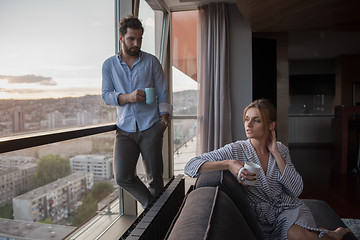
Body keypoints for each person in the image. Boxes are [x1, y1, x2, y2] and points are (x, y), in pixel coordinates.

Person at [184, 99, 350, 240]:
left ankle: (326, 235)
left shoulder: (281, 149)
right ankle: (330, 236)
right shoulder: (236, 150)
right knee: (298, 235)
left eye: (256, 120)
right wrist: (229, 164)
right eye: (246, 119)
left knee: (296, 234)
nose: (248, 124)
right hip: (264, 219)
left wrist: (276, 153)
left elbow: (296, 189)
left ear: (271, 125)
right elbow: (190, 166)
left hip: (289, 208)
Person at [101, 16, 172, 208]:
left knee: (155, 180)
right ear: (121, 37)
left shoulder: (151, 62)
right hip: (124, 130)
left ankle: (159, 222)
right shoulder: (109, 65)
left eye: (139, 39)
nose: (136, 43)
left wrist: (163, 123)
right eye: (131, 38)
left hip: (151, 127)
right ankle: (153, 208)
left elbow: (163, 95)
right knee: (123, 176)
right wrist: (127, 97)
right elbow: (106, 95)